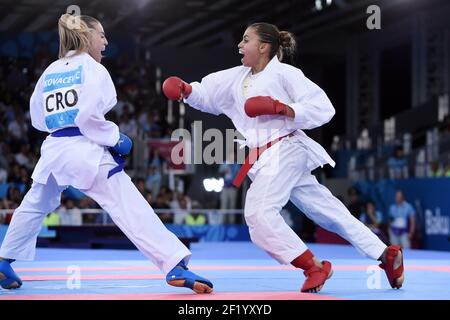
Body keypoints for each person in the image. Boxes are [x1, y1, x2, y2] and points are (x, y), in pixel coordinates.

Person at [162, 22, 404, 292]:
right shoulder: (236, 78)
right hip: (264, 156)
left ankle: (314, 266)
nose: (239, 46)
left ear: (263, 47)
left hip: (286, 147)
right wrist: (188, 90)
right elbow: (208, 93)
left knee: (259, 214)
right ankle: (386, 253)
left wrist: (283, 108)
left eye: (246, 40)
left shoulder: (287, 74)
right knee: (327, 211)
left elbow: (324, 108)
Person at [0, 14, 212, 294]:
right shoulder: (93, 69)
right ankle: (173, 264)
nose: (106, 41)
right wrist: (116, 138)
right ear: (87, 37)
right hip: (85, 149)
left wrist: (64, 124)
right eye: (101, 35)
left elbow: (38, 120)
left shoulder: (50, 71)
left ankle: (4, 260)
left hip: (53, 149)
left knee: (35, 204)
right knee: (128, 205)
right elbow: (87, 116)